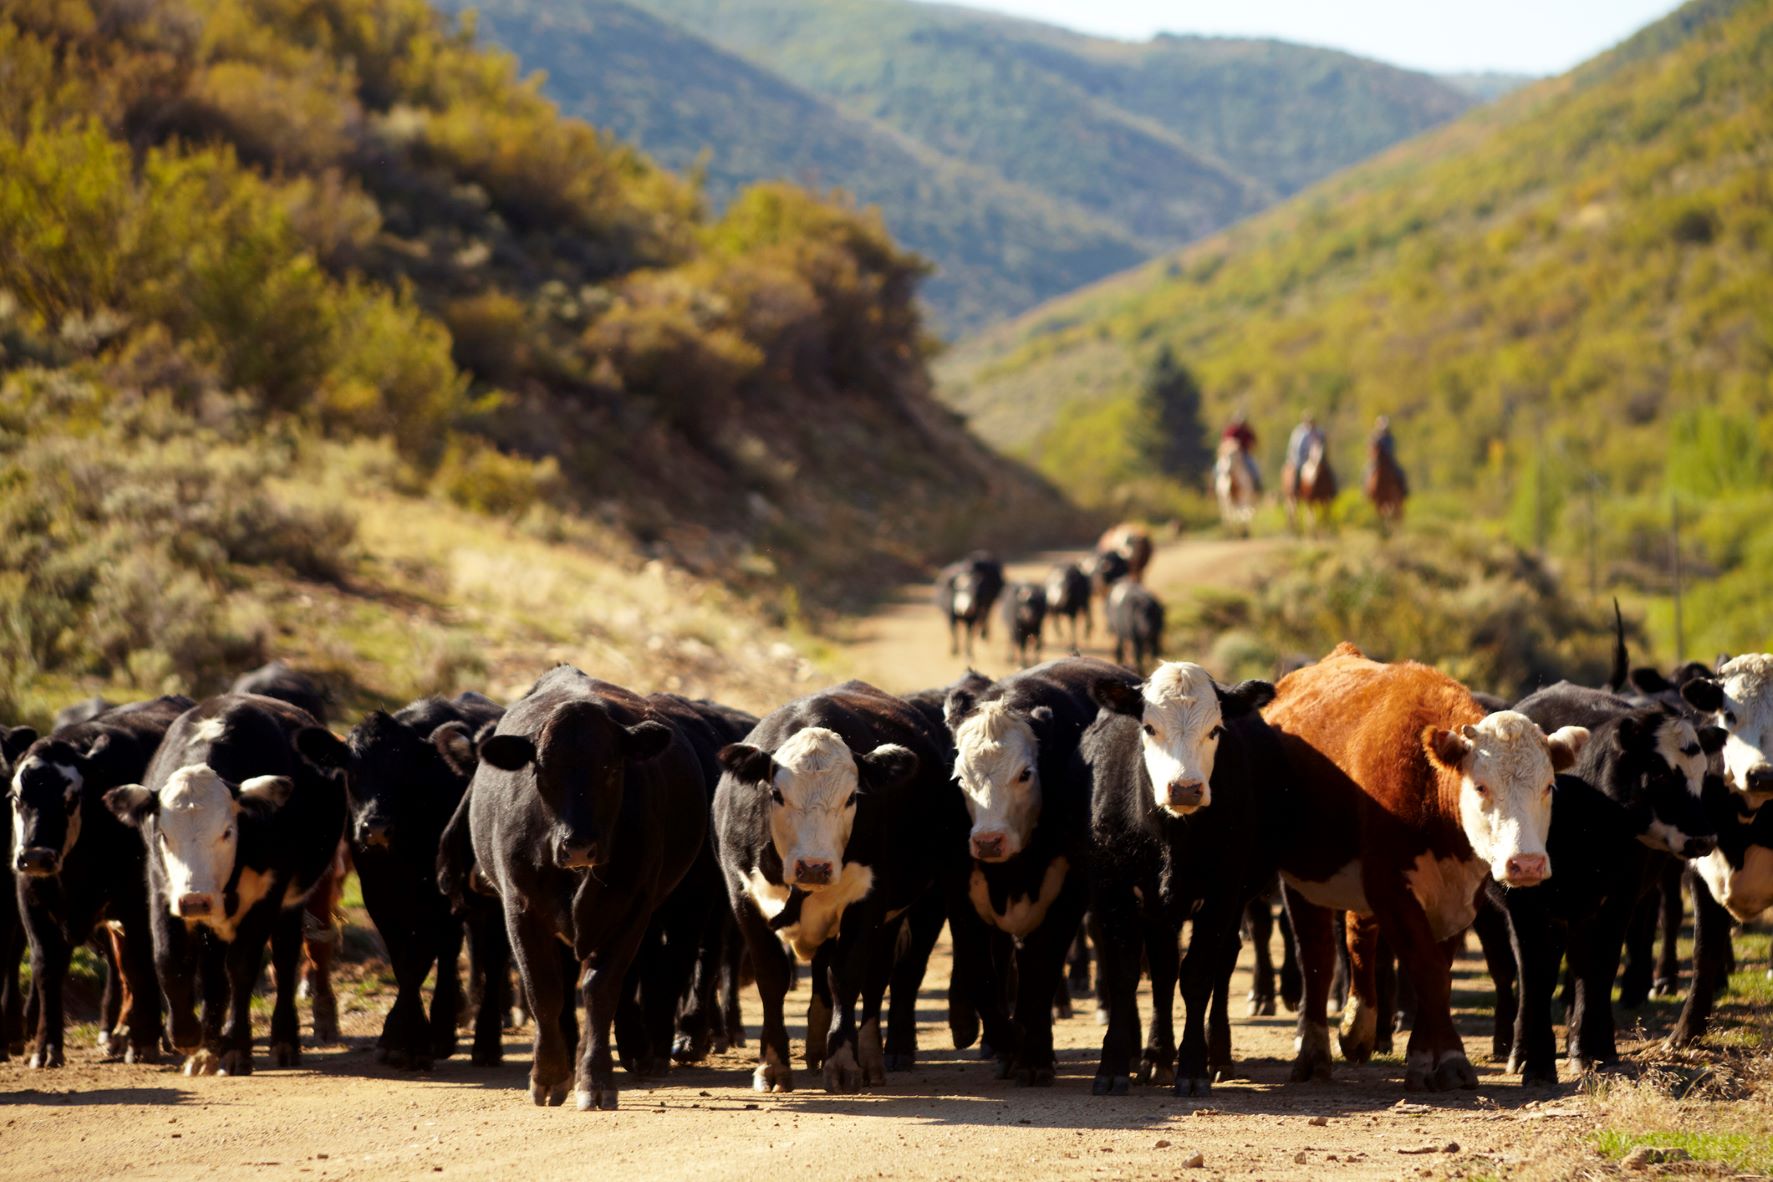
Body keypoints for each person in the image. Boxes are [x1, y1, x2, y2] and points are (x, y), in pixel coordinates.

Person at [1220, 411, 1261, 491]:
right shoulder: (1230, 430)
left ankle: (1257, 487)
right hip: (1229, 455)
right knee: (1218, 469)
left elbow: (1254, 441)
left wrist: (1249, 448)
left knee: (1254, 468)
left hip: (1244, 454)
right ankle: (1212, 488)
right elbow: (1223, 443)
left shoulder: (1247, 430)